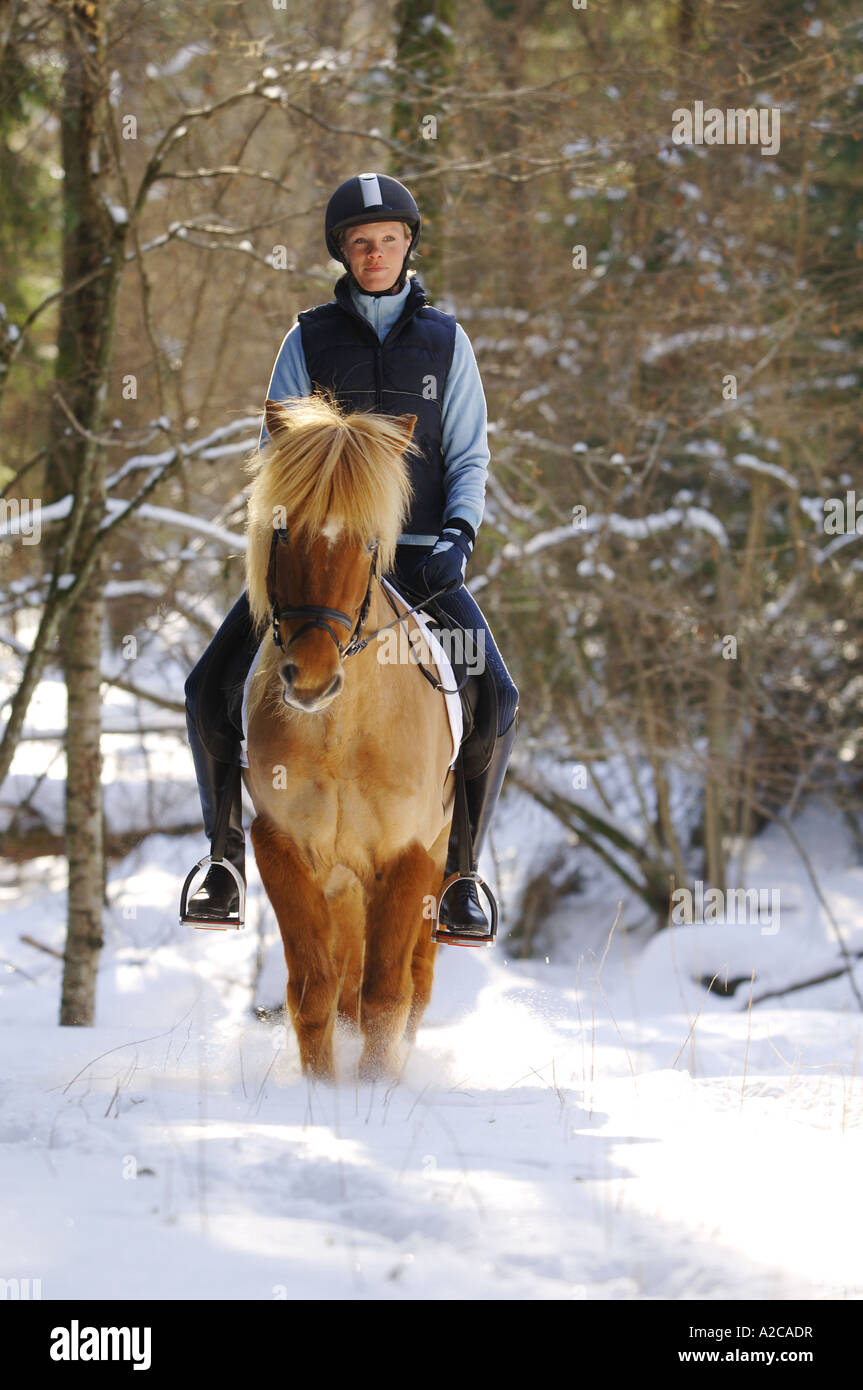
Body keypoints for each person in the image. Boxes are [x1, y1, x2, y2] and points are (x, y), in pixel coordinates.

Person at [182, 172, 518, 934]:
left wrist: (458, 536)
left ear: (408, 246)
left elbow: (467, 455)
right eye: (361, 243)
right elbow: (276, 451)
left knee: (497, 698)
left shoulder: (446, 341)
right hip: (317, 566)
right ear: (342, 250)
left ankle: (461, 871)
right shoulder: (307, 338)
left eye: (388, 241)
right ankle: (224, 862)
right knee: (208, 686)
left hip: (419, 561)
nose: (375, 254)